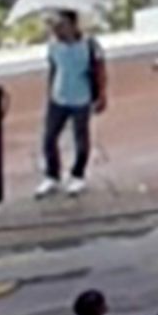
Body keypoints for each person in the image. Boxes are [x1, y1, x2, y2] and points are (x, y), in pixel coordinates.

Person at [37, 10, 104, 194]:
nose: (58, 30)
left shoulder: (89, 45)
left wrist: (101, 95)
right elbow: (53, 68)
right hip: (59, 96)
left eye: (62, 26)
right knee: (49, 138)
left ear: (73, 25)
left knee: (81, 138)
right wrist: (50, 92)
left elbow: (99, 69)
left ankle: (78, 174)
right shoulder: (54, 46)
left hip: (81, 97)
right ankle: (52, 175)